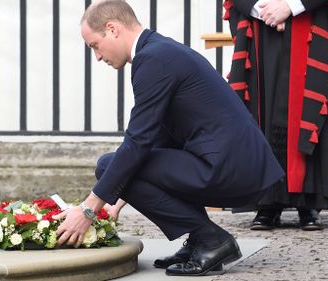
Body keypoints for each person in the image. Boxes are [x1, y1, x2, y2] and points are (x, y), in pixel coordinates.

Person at [52, 0, 284, 276]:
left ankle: (211, 239)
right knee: (117, 168)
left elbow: (137, 142)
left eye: (94, 45)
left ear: (112, 29)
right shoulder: (160, 50)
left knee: (107, 165)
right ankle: (200, 239)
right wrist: (117, 199)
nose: (98, 57)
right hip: (235, 166)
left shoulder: (153, 59)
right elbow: (158, 139)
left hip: (230, 170)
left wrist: (89, 209)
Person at [224, 0, 328, 230]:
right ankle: (267, 201)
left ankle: (309, 201)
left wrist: (292, 5)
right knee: (262, 106)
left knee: (308, 107)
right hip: (262, 25)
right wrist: (265, 11)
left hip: (312, 18)